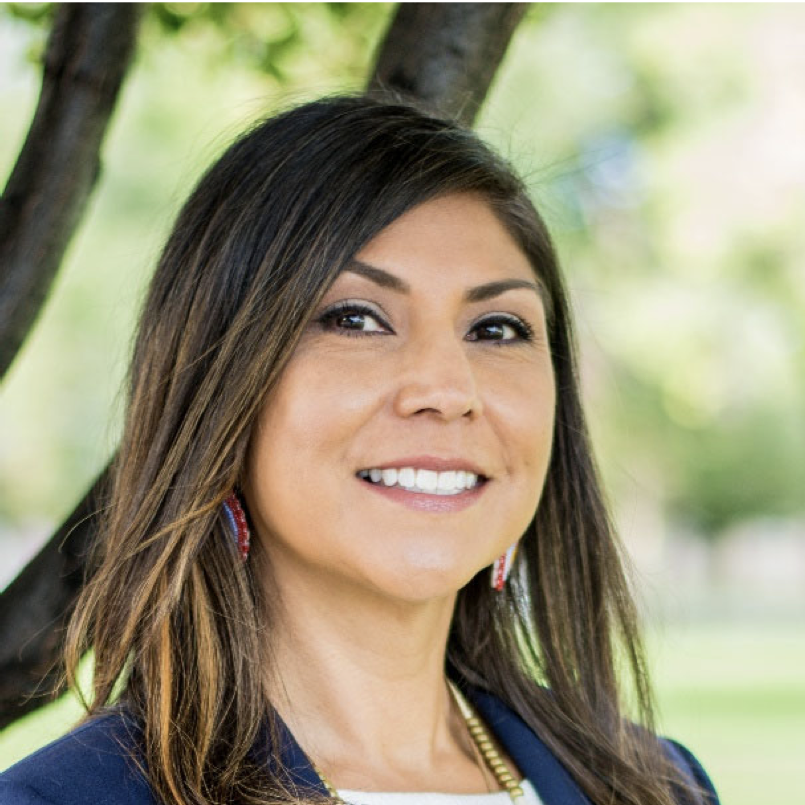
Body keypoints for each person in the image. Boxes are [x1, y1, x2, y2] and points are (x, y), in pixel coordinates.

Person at [0, 95, 719, 805]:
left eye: (496, 328)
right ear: (219, 392)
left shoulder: (658, 785)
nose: (446, 388)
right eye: (355, 318)